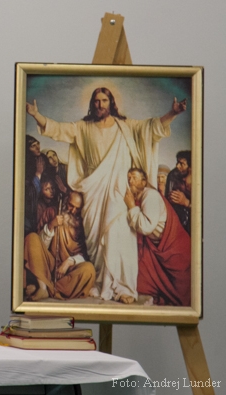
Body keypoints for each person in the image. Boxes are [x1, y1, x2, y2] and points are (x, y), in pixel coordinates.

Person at [26, 87, 186, 304]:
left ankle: (124, 287)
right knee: (95, 238)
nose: (100, 104)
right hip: (93, 190)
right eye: (96, 101)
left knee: (120, 235)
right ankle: (101, 282)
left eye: (104, 100)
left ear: (111, 103)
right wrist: (36, 115)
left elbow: (151, 127)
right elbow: (58, 129)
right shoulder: (83, 127)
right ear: (92, 104)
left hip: (119, 189)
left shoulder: (125, 126)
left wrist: (173, 113)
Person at [124, 168, 191, 306]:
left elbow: (146, 226)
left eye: (134, 177)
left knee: (182, 290)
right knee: (142, 280)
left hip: (174, 248)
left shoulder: (151, 196)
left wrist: (131, 207)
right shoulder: (138, 197)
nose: (130, 181)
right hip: (156, 248)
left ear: (144, 182)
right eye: (129, 178)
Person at [24, 191, 96, 301]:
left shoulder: (81, 224)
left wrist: (68, 262)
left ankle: (47, 288)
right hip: (49, 265)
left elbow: (83, 255)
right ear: (66, 200)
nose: (73, 211)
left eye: (77, 209)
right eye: (71, 205)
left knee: (89, 270)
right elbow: (40, 246)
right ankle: (42, 287)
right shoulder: (51, 212)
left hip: (69, 271)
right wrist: (51, 225)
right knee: (31, 238)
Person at [24, 135, 50, 236]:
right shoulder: (25, 163)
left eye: (37, 144)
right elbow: (29, 193)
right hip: (31, 210)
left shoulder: (42, 159)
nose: (37, 147)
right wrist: (38, 174)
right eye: (33, 146)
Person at [165, 151, 192, 234]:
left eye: (182, 164)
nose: (177, 166)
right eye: (177, 162)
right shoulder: (173, 175)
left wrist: (186, 202)